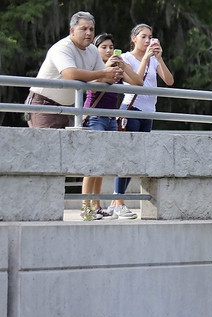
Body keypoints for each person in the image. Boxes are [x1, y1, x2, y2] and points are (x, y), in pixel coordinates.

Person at [111, 23, 174, 220]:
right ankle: (118, 201)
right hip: (131, 109)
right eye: (143, 37)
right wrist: (146, 58)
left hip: (148, 111)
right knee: (127, 156)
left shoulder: (154, 59)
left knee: (137, 157)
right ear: (134, 39)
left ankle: (116, 202)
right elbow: (136, 81)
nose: (147, 41)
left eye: (150, 37)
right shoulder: (126, 58)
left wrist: (159, 58)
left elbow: (169, 81)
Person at [79, 32, 142, 221]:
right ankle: (85, 207)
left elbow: (138, 83)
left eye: (110, 47)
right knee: (92, 163)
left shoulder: (116, 67)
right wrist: (106, 69)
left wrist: (123, 66)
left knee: (103, 164)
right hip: (95, 117)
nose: (108, 50)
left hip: (110, 118)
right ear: (96, 50)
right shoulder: (93, 67)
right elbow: (92, 86)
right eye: (103, 47)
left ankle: (97, 206)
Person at [27, 12, 124, 130]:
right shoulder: (63, 47)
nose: (88, 33)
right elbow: (70, 74)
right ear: (72, 31)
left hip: (67, 107)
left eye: (91, 29)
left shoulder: (93, 50)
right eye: (83, 29)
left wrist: (114, 74)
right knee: (45, 145)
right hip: (43, 104)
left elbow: (105, 77)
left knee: (64, 147)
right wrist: (104, 73)